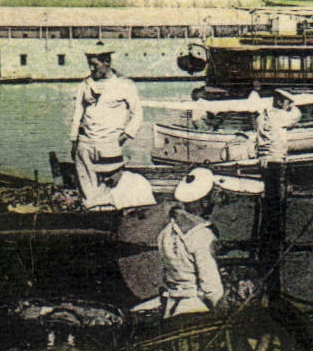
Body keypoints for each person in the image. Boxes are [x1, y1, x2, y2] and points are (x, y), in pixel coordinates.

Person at [69, 42, 142, 206]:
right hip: (85, 144)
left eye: (95, 65)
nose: (91, 69)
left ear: (107, 62)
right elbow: (77, 113)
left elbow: (137, 113)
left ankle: (106, 216)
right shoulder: (85, 84)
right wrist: (74, 140)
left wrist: (125, 136)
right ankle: (91, 215)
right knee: (87, 190)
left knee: (109, 188)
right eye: (89, 65)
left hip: (109, 144)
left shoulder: (124, 85)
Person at [154, 167, 226, 319]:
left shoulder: (166, 232)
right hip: (196, 309)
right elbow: (211, 286)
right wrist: (222, 310)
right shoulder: (202, 235)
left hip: (172, 306)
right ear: (205, 203)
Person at [83, 153, 156, 211]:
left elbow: (111, 198)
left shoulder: (135, 182)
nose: (105, 179)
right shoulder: (112, 184)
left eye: (108, 174)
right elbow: (102, 199)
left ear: (119, 170)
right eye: (103, 175)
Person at [257, 90, 301, 166]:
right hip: (276, 157)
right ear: (280, 103)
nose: (289, 106)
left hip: (263, 158)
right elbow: (297, 115)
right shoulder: (282, 116)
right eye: (288, 103)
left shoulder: (262, 115)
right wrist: (292, 106)